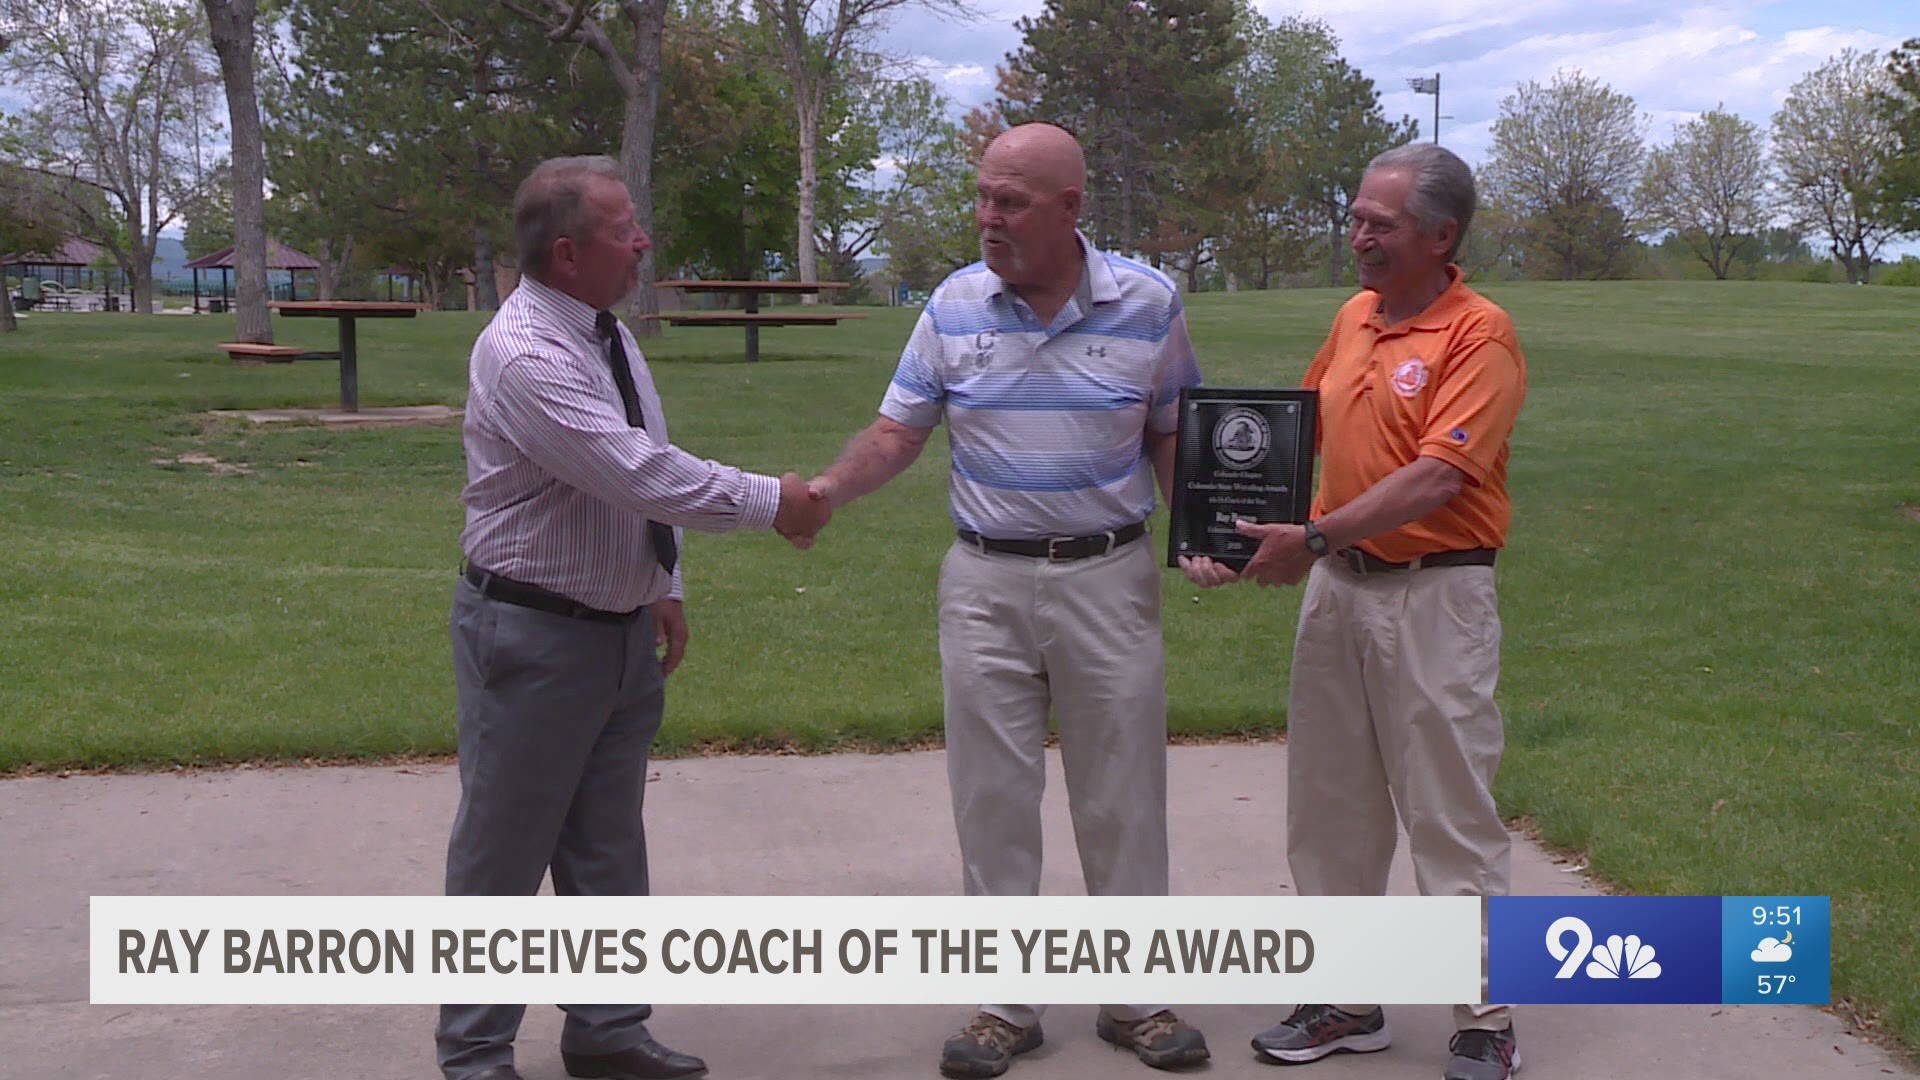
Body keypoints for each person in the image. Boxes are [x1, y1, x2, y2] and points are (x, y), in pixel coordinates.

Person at [809, 123, 1209, 1079]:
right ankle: (1005, 1004)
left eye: (1011, 201)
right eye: (983, 197)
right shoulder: (951, 306)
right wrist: (822, 493)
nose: (988, 217)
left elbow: (1172, 432)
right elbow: (897, 431)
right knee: (991, 796)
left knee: (1123, 794)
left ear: (1071, 209)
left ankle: (1136, 998)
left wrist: (1203, 529)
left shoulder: (1149, 303)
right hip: (984, 581)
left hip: (1108, 577)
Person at [438, 155, 830, 1080]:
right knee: (503, 849)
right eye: (626, 228)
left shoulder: (605, 332)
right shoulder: (527, 350)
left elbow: (640, 466)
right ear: (569, 253)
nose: (644, 240)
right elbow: (639, 471)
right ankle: (474, 1053)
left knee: (606, 844)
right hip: (533, 635)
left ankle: (607, 1030)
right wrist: (773, 500)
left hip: (615, 628)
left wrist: (664, 582)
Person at [1179, 143, 1527, 1080]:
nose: (1359, 235)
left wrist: (1317, 538)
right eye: (1358, 216)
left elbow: (1436, 478)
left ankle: (1486, 1018)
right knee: (1330, 808)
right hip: (1339, 594)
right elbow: (1296, 434)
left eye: (1381, 222)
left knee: (1450, 809)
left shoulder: (1478, 334)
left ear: (1440, 235)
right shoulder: (1356, 317)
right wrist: (1224, 528)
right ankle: (1348, 998)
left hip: (1436, 592)